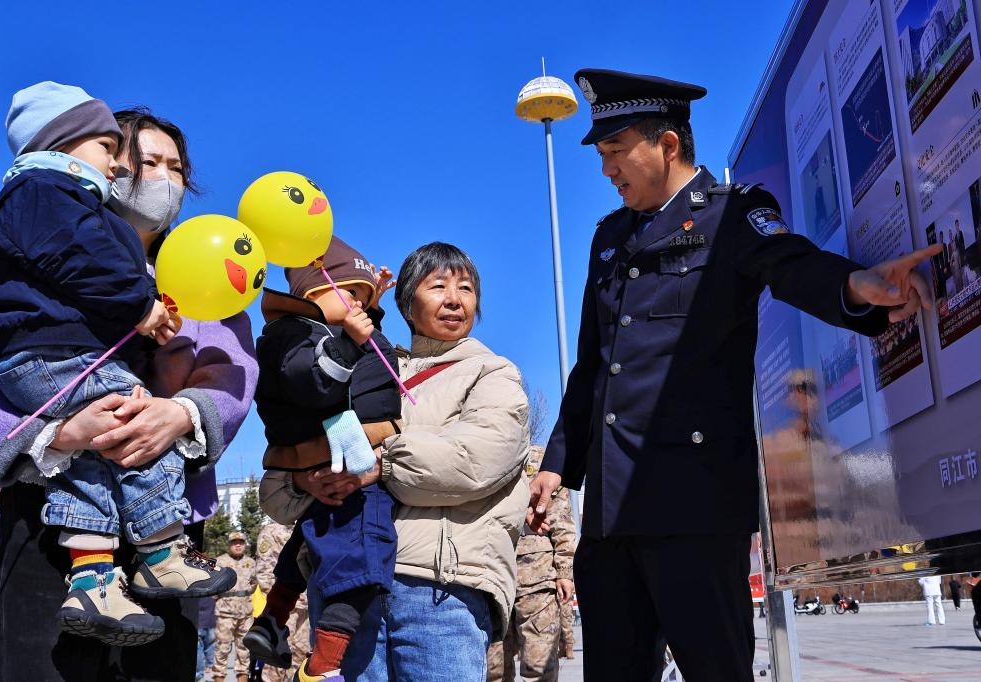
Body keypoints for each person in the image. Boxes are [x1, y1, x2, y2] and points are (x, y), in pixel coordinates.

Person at [527, 68, 941, 682]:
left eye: (616, 152)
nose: (607, 170)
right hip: (611, 516)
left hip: (695, 503)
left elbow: (787, 261)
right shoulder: (609, 238)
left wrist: (855, 285)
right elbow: (594, 364)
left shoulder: (732, 214)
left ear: (667, 145)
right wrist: (558, 463)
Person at [0, 105, 258, 681]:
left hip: (170, 522)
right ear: (108, 166)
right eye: (146, 161)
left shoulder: (207, 266)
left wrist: (180, 415)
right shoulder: (35, 259)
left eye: (175, 167)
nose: (161, 177)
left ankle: (159, 561)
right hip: (46, 515)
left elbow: (233, 373)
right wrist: (54, 435)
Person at [292, 242, 530, 680]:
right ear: (405, 301)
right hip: (347, 588)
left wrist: (378, 462)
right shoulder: (367, 367)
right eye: (437, 286)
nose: (455, 299)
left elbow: (475, 459)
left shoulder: (492, 373)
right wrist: (306, 482)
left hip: (441, 592)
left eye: (466, 288)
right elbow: (292, 458)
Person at [245, 238, 401, 682]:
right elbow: (315, 379)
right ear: (312, 292)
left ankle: (273, 620)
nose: (360, 305)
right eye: (351, 292)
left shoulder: (317, 332)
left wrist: (367, 313)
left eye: (365, 298)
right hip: (344, 461)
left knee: (315, 539)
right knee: (364, 561)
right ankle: (322, 667)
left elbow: (362, 360)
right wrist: (352, 339)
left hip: (333, 455)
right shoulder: (294, 334)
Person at [488, 445, 576, 682]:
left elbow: (562, 521)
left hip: (538, 580)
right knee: (492, 670)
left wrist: (565, 572)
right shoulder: (485, 453)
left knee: (540, 668)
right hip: (491, 577)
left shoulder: (543, 460)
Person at [252, 522, 310, 682]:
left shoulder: (307, 525)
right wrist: (277, 600)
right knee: (277, 656)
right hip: (285, 605)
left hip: (307, 605)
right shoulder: (271, 530)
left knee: (301, 654)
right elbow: (264, 571)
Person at [213, 531, 258, 682]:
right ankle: (219, 677)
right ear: (229, 545)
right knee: (222, 648)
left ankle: (243, 678)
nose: (238, 545)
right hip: (225, 612)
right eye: (234, 542)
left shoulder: (251, 563)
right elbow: (213, 587)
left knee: (244, 649)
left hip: (246, 613)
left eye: (241, 542)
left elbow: (254, 584)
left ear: (245, 544)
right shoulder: (219, 562)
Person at [198, 596, 217, 682]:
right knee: (210, 646)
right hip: (211, 622)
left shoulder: (194, 592)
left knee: (198, 649)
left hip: (198, 622)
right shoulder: (210, 588)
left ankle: (199, 675)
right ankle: (210, 668)